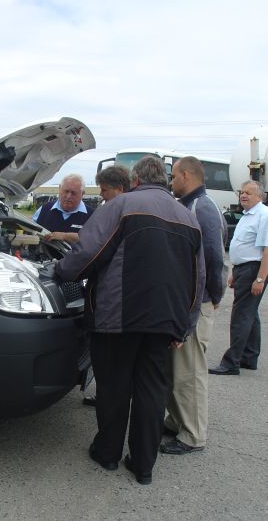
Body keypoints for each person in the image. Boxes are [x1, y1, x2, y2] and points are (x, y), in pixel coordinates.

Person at [55, 156, 205, 485]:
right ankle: (143, 465)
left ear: (134, 180)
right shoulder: (187, 217)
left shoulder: (122, 205)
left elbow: (88, 251)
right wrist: (186, 324)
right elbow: (198, 279)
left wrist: (59, 272)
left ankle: (107, 454)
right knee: (152, 390)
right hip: (164, 322)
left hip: (117, 318)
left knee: (113, 388)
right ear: (164, 180)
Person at [160, 156, 227, 455]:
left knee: (190, 371)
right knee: (177, 369)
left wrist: (211, 297)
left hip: (197, 304)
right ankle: (176, 421)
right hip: (187, 303)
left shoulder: (203, 208)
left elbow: (214, 259)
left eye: (173, 176)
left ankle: (193, 435)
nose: (171, 182)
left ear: (186, 175)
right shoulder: (191, 205)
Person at [82, 165, 131, 407]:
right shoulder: (123, 208)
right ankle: (109, 396)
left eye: (104, 190)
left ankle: (110, 400)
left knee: (110, 358)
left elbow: (92, 248)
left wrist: (65, 271)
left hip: (114, 304)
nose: (101, 195)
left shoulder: (117, 211)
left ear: (120, 189)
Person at [209, 180, 268, 375]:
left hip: (254, 269)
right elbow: (242, 245)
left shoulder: (263, 215)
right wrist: (235, 271)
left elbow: (266, 250)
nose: (243, 195)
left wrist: (260, 279)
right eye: (242, 192)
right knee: (250, 313)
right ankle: (249, 357)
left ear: (260, 196)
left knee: (241, 315)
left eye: (249, 193)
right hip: (244, 268)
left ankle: (231, 362)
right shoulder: (247, 215)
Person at [32, 174, 94, 244]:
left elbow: (94, 240)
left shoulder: (92, 216)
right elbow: (30, 231)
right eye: (66, 191)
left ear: (82, 194)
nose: (68, 196)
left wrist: (65, 236)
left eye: (73, 193)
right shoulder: (44, 209)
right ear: (59, 189)